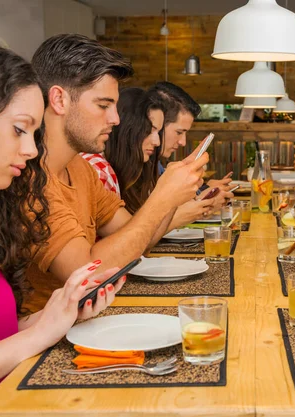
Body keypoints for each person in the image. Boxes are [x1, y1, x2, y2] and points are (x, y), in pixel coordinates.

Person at [0, 36, 124, 417]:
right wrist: (36, 335)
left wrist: (56, 315)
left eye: (34, 134)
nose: (32, 150)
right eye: (20, 130)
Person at [26, 34, 208, 312]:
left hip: (90, 318)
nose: (116, 118)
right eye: (103, 105)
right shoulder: (30, 179)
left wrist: (171, 196)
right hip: (43, 345)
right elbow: (86, 272)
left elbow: (137, 239)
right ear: (59, 100)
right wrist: (162, 196)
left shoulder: (80, 168)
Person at [82, 87, 228, 227]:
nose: (157, 141)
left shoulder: (139, 166)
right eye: (150, 130)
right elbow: (132, 237)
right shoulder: (97, 168)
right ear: (127, 129)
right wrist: (176, 205)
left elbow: (134, 233)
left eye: (157, 132)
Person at [149, 81, 234, 192]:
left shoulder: (155, 164)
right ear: (157, 124)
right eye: (179, 132)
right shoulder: (139, 166)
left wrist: (206, 189)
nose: (183, 142)